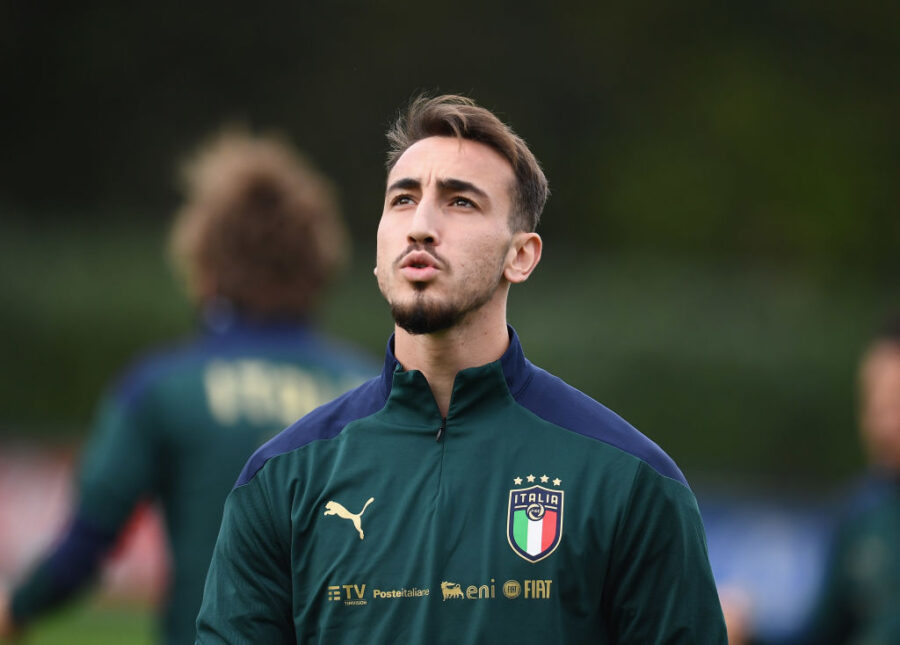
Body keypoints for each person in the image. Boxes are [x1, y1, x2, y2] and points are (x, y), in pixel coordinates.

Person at [195, 95, 727, 643]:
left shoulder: (630, 480)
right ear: (378, 250)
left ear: (521, 256)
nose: (421, 226)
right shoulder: (281, 478)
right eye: (403, 200)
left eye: (460, 202)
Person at [0, 129, 377, 644]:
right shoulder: (374, 392)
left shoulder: (162, 387)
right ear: (317, 262)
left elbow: (87, 544)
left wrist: (17, 610)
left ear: (204, 262)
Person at [792, 316, 900, 644]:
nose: (879, 426)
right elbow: (822, 633)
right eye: (871, 404)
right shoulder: (862, 514)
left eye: (895, 405)